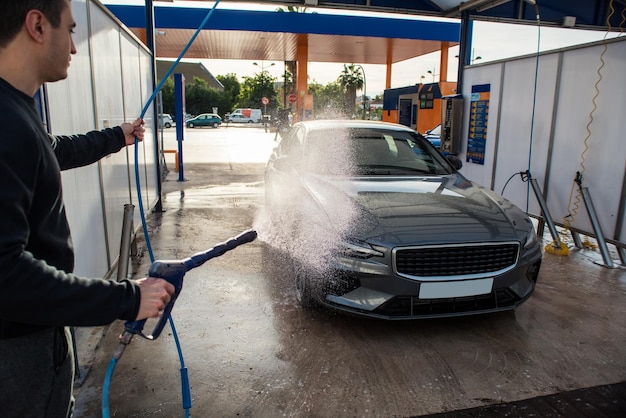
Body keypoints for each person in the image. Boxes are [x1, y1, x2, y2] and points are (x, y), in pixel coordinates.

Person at [0, 1, 175, 416]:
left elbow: (52, 150)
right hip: (17, 352)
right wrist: (126, 297)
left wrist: (117, 136)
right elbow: (6, 274)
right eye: (71, 30)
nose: (75, 47)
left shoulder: (15, 112)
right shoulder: (5, 125)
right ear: (38, 25)